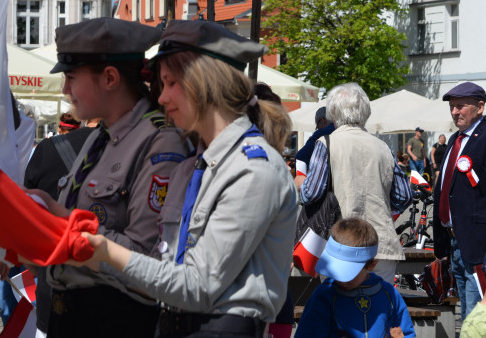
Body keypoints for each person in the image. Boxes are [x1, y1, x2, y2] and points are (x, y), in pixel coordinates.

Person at [82, 19, 297, 337]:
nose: (162, 98)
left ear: (204, 84)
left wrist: (105, 251)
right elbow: (168, 266)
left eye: (171, 83)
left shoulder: (253, 170)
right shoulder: (192, 168)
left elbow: (198, 285)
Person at [28, 18, 189, 337]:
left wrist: (59, 222)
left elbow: (148, 259)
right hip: (66, 315)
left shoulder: (159, 141)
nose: (65, 89)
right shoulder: (98, 138)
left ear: (110, 78)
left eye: (71, 77)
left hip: (115, 319)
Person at [301, 83, 411, 282]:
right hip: (381, 245)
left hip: (340, 244)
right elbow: (404, 197)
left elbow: (312, 193)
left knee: (339, 309)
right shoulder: (383, 147)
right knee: (379, 310)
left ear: (333, 113)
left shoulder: (326, 143)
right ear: (366, 112)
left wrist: (301, 184)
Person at [432, 82, 486, 320]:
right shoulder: (455, 140)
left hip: (480, 246)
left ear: (480, 107)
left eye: (460, 106)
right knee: (467, 317)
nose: (455, 112)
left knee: (476, 316)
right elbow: (446, 189)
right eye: (452, 107)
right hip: (455, 244)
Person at [294, 218, 415, 338]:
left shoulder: (389, 294)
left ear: (372, 265)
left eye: (346, 272)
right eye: (336, 269)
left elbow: (407, 332)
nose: (340, 278)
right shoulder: (324, 295)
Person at [294, 106, 333, 188]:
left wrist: (302, 182)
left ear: (322, 120)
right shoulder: (348, 131)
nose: (318, 129)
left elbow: (300, 156)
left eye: (317, 126)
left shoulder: (321, 133)